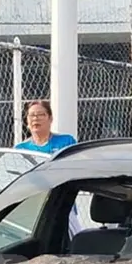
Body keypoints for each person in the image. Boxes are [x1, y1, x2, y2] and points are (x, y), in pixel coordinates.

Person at [15, 100, 81, 238]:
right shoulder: (20, 149)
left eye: (41, 114)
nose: (36, 119)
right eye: (32, 115)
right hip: (33, 205)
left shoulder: (66, 141)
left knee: (73, 238)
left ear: (50, 118)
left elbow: (74, 169)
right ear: (27, 121)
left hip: (62, 201)